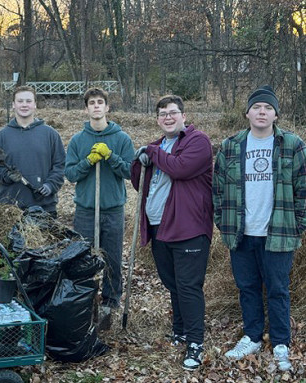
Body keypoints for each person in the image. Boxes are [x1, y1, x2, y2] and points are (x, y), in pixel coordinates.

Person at [213, 85, 306, 371]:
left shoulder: (292, 144)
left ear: (276, 114)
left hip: (278, 233)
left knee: (278, 289)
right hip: (241, 233)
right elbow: (217, 190)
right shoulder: (231, 146)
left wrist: (298, 225)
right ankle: (252, 336)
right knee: (247, 287)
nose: (262, 112)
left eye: (267, 108)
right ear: (247, 113)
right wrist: (223, 223)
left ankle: (280, 342)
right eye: (257, 107)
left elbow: (303, 189)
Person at [131, 95, 213, 371]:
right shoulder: (157, 145)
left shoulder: (197, 141)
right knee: (173, 284)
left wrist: (151, 153)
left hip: (188, 228)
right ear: (157, 119)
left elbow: (180, 169)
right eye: (163, 113)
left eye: (173, 112)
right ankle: (179, 331)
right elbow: (139, 182)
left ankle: (195, 343)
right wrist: (139, 159)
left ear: (184, 116)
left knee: (189, 286)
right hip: (160, 228)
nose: (168, 117)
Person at [65, 87, 134, 330]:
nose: (96, 106)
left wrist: (110, 157)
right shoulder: (77, 140)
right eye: (91, 103)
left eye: (100, 102)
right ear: (86, 109)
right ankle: (83, 301)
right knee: (82, 258)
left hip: (113, 210)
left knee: (112, 259)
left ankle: (109, 304)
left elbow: (130, 171)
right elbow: (70, 174)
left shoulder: (121, 138)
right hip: (85, 210)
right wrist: (88, 162)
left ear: (107, 108)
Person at [0, 86, 65, 216]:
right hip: (10, 207)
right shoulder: (1, 136)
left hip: (44, 206)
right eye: (20, 101)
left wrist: (50, 185)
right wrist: (7, 176)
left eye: (28, 101)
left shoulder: (51, 135)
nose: (24, 105)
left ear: (35, 104)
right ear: (13, 105)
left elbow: (60, 165)